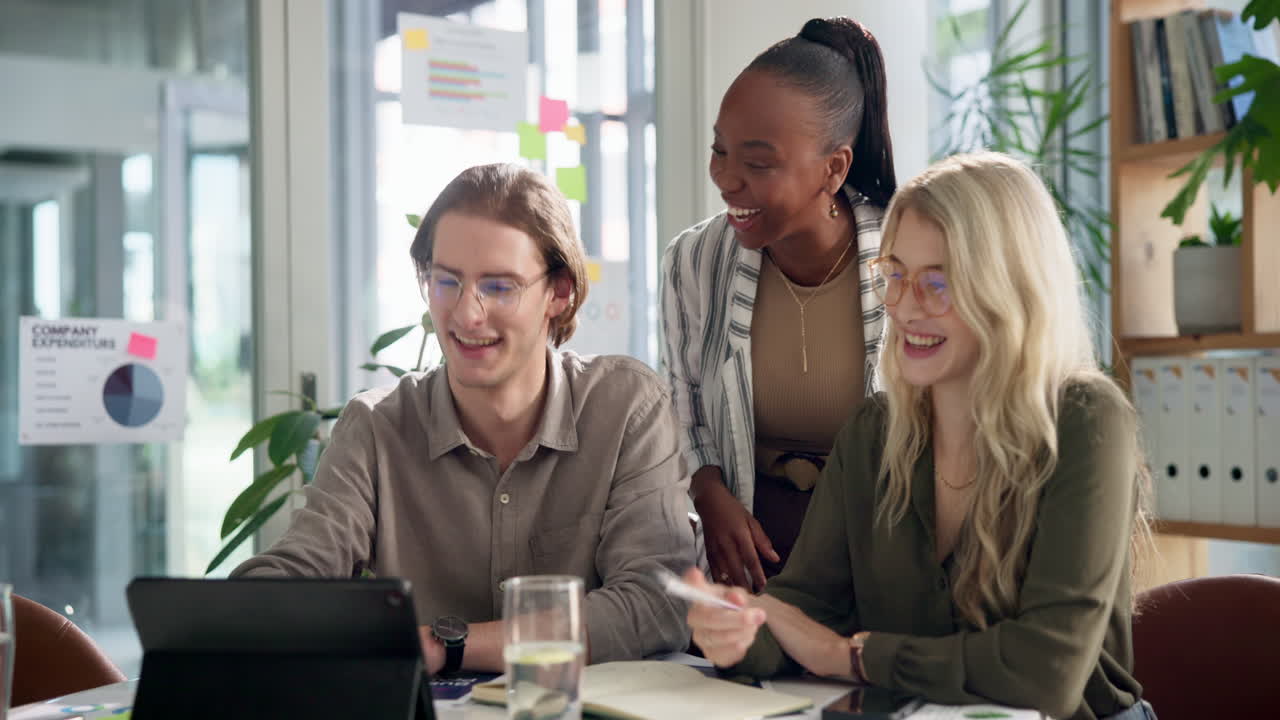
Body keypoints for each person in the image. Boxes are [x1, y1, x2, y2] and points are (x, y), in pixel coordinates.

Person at [684, 152, 1157, 720]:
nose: (905, 308)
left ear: (1009, 291)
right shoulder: (872, 433)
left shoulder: (1085, 420)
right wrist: (742, 631)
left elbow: (1047, 671)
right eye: (895, 276)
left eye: (936, 283)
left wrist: (854, 658)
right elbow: (804, 607)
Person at [233, 163, 697, 675]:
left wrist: (443, 646)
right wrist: (240, 618)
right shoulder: (375, 426)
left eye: (499, 287)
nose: (466, 314)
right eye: (446, 281)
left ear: (559, 292)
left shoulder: (627, 406)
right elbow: (300, 569)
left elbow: (657, 604)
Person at [658, 16, 896, 592]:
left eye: (758, 164)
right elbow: (679, 403)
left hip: (878, 561)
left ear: (833, 168)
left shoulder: (906, 254)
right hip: (745, 561)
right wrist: (708, 492)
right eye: (720, 151)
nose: (726, 179)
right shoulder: (694, 260)